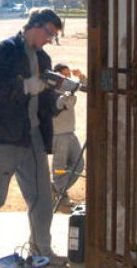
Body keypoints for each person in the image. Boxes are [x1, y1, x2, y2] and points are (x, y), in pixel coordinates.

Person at [0, 7, 67, 268]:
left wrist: (58, 103)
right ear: (35, 25)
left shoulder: (44, 60)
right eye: (49, 33)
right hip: (3, 139)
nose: (49, 40)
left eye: (53, 36)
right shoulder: (5, 50)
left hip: (32, 137)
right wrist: (24, 86)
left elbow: (44, 99)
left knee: (42, 199)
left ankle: (41, 251)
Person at [50, 63, 85, 209]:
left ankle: (56, 189)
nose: (67, 79)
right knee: (59, 169)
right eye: (64, 77)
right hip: (59, 136)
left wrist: (81, 77)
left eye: (68, 76)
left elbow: (88, 87)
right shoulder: (53, 93)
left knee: (79, 165)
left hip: (70, 133)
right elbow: (65, 102)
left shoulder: (67, 91)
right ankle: (60, 194)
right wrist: (73, 89)